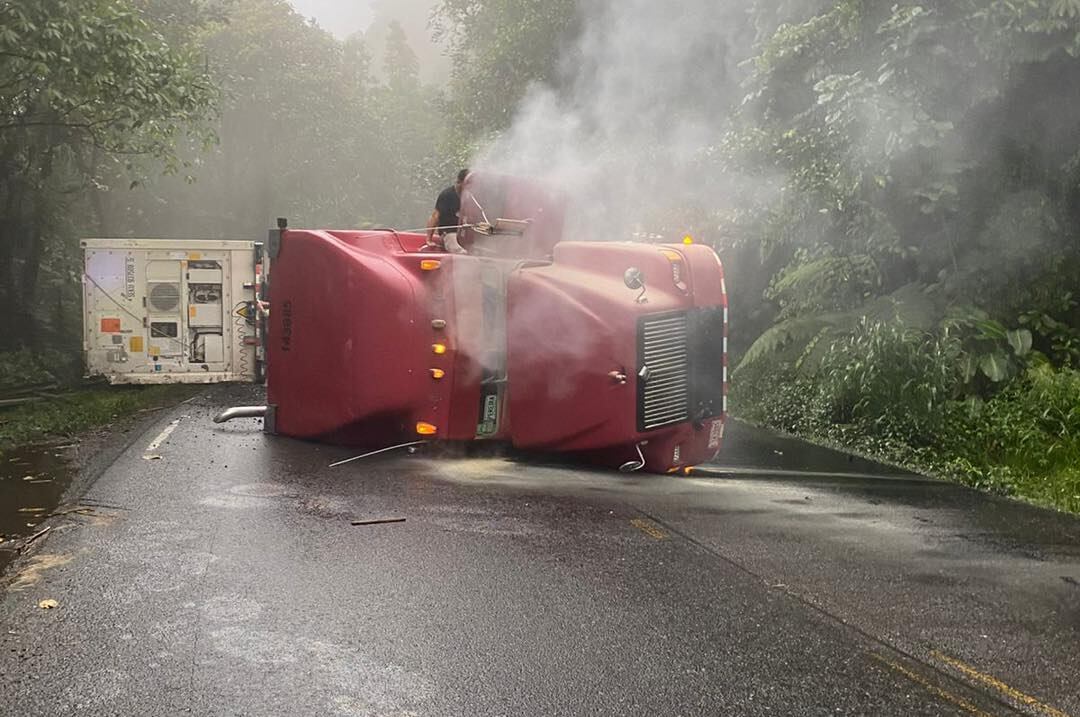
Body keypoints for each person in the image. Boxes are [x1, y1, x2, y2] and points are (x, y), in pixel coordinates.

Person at [426, 169, 469, 254]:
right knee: (461, 251)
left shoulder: (473, 197)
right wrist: (429, 239)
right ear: (459, 182)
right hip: (449, 233)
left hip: (466, 234)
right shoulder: (447, 195)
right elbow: (435, 216)